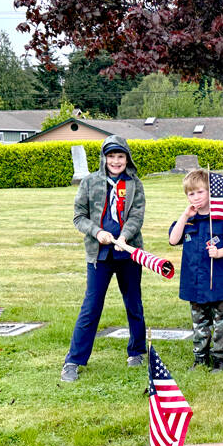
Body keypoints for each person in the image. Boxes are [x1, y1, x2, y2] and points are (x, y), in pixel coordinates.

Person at [61, 135, 146, 383]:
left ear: (127, 158)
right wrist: (98, 232)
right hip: (99, 255)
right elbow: (79, 217)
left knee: (133, 303)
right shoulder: (89, 183)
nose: (116, 161)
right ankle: (73, 361)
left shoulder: (134, 184)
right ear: (104, 158)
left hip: (128, 252)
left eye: (120, 156)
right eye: (111, 156)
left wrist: (124, 237)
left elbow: (136, 217)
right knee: (91, 306)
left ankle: (137, 351)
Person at [168, 169, 223, 373]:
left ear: (210, 192)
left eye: (201, 192)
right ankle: (200, 357)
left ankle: (219, 358)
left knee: (220, 322)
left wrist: (219, 253)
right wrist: (184, 215)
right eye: (191, 194)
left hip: (219, 282)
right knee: (199, 323)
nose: (196, 197)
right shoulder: (188, 221)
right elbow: (173, 240)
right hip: (195, 282)